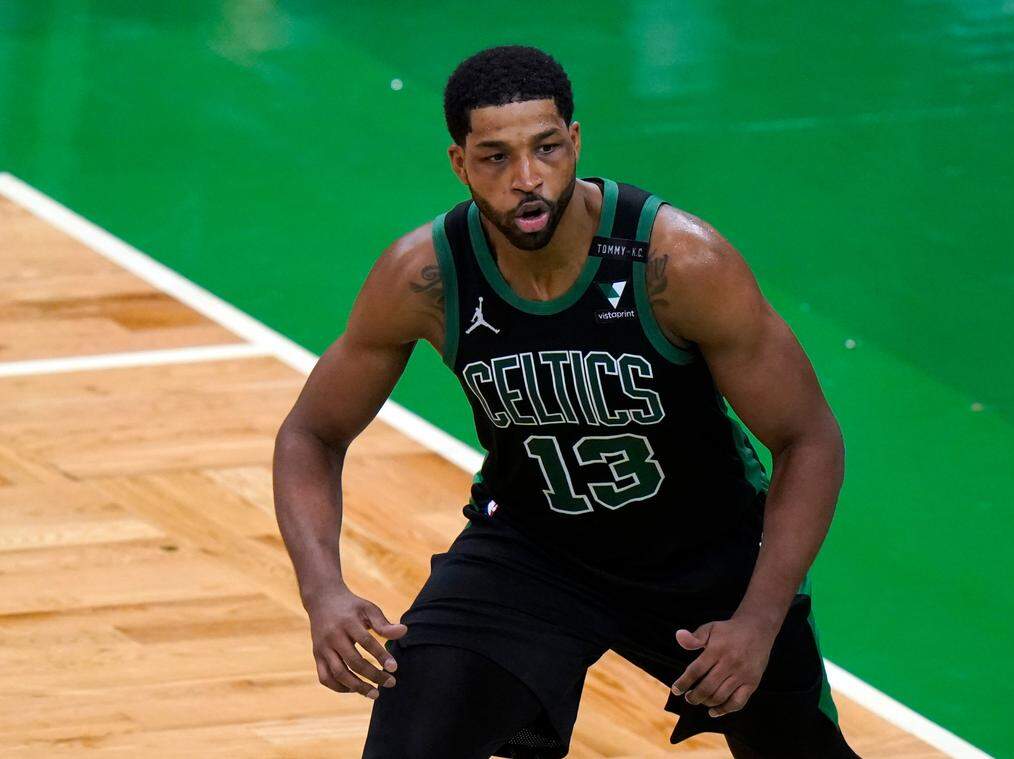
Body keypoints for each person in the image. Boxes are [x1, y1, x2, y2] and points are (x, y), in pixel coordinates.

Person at [273, 44, 858, 759]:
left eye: (546, 148)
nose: (527, 180)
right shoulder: (426, 275)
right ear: (458, 163)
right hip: (535, 552)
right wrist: (324, 592)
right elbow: (312, 433)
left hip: (709, 561)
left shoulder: (679, 263)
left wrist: (760, 619)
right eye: (495, 158)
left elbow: (809, 440)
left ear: (575, 141)